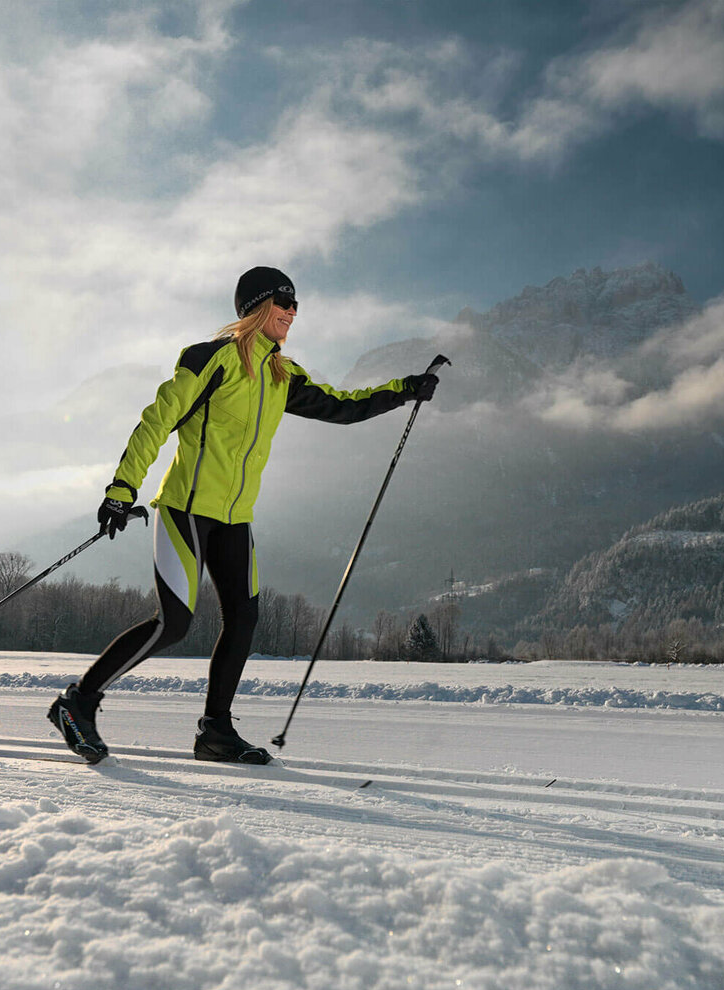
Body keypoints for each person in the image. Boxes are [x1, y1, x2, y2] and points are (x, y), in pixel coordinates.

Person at [48, 266, 439, 765]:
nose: (294, 312)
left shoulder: (282, 374)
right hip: (186, 510)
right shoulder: (211, 358)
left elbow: (342, 406)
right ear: (258, 306)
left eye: (297, 305)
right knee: (173, 623)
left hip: (235, 518)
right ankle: (77, 703)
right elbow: (158, 419)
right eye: (285, 303)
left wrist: (406, 389)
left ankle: (215, 732)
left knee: (244, 617)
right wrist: (123, 487)